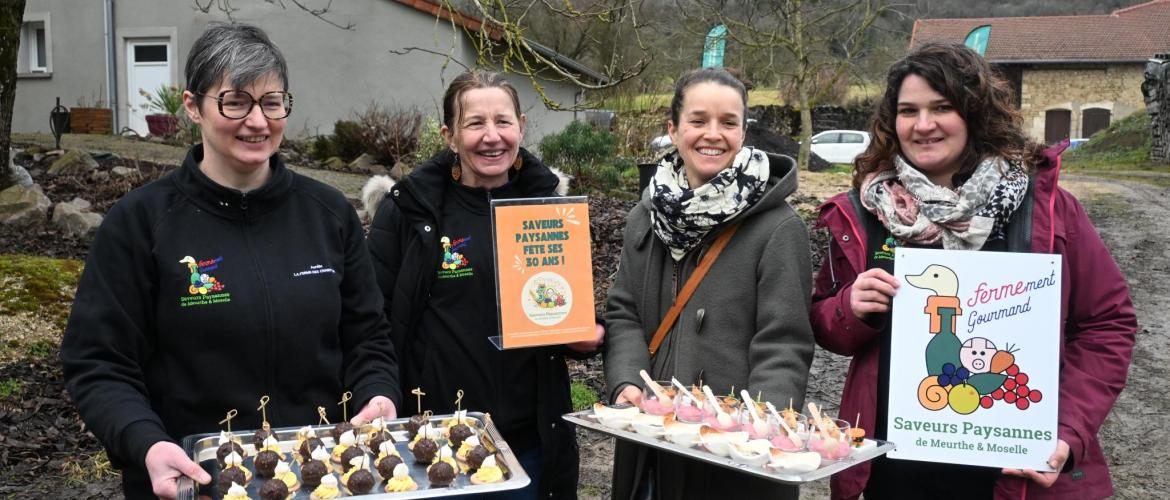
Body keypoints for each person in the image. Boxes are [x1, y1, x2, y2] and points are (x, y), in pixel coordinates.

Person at [60, 23, 401, 499]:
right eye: (235, 101)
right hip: (191, 480)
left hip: (318, 479)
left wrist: (378, 394)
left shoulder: (329, 214)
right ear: (192, 106)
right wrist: (146, 441)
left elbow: (368, 336)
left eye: (273, 102)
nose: (258, 121)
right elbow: (98, 361)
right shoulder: (140, 223)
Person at [810, 42, 1137, 500]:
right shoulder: (865, 211)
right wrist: (851, 308)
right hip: (897, 469)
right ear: (892, 121)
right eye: (908, 110)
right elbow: (825, 323)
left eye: (941, 107)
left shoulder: (1044, 208)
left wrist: (1067, 430)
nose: (923, 125)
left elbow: (1107, 323)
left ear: (974, 113)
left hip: (1012, 470)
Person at [366, 70, 603, 499]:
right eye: (475, 123)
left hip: (526, 442)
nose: (492, 136)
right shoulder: (409, 212)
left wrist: (588, 331)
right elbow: (372, 320)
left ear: (521, 128)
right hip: (432, 443)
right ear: (450, 136)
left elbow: (564, 301)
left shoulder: (550, 209)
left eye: (503, 121)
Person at [603, 67, 815, 499]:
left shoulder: (779, 227)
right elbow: (623, 311)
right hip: (654, 437)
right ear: (673, 129)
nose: (712, 135)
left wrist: (757, 427)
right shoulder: (646, 216)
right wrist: (625, 380)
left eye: (728, 122)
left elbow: (784, 343)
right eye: (698, 121)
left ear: (743, 131)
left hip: (732, 455)